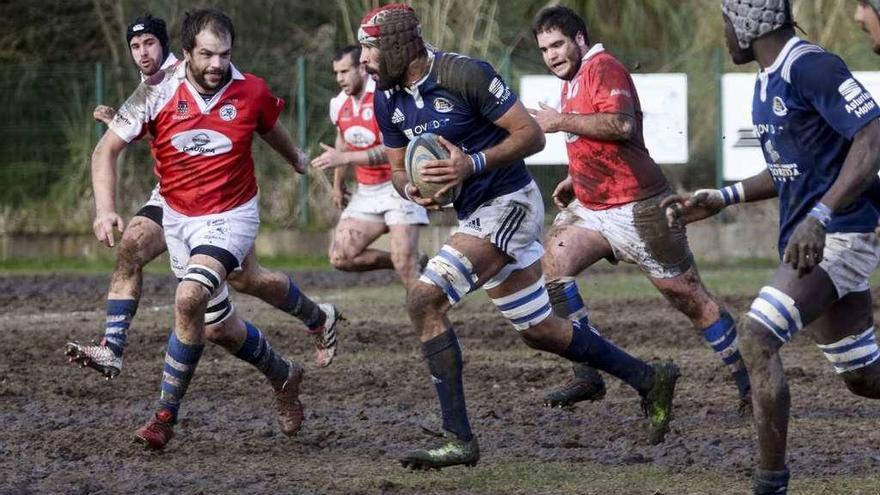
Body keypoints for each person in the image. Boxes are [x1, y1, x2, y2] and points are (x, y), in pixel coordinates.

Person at [360, 3, 680, 470]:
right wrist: (413, 188)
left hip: (509, 203)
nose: (365, 60)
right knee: (540, 331)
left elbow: (531, 135)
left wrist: (471, 163)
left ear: (397, 47)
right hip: (475, 214)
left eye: (370, 50)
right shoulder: (386, 96)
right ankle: (650, 378)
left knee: (424, 299)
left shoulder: (464, 74)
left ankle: (458, 439)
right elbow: (394, 168)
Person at [665, 2, 880, 492]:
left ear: (745, 22)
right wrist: (724, 196)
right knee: (864, 377)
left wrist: (821, 216)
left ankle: (770, 484)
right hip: (815, 242)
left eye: (725, 22)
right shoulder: (767, 82)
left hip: (841, 235)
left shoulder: (810, 65)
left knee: (756, 337)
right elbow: (788, 170)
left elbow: (873, 133)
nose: (723, 35)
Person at [91, 9, 322, 449]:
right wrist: (105, 209)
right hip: (179, 218)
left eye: (225, 54)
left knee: (188, 296)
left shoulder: (249, 89)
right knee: (217, 327)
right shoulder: (155, 92)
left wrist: (296, 158)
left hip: (232, 215)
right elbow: (106, 152)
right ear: (186, 54)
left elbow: (270, 128)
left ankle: (162, 418)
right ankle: (284, 373)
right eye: (207, 55)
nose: (218, 64)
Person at [529, 6, 751, 412]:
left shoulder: (603, 67)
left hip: (641, 208)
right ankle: (587, 375)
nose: (552, 55)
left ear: (579, 40)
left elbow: (620, 126)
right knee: (553, 265)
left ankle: (751, 382)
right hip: (595, 208)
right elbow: (595, 140)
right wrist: (574, 178)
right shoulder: (573, 77)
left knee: (692, 301)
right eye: (544, 49)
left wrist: (559, 121)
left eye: (558, 44)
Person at [311, 45, 428, 289]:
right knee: (340, 257)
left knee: (406, 268)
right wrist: (338, 185)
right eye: (336, 73)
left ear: (362, 69)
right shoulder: (339, 104)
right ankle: (406, 260)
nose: (339, 79)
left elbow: (391, 151)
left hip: (399, 185)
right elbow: (341, 143)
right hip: (366, 191)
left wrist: (344, 160)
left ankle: (430, 318)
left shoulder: (384, 98)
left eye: (345, 71)